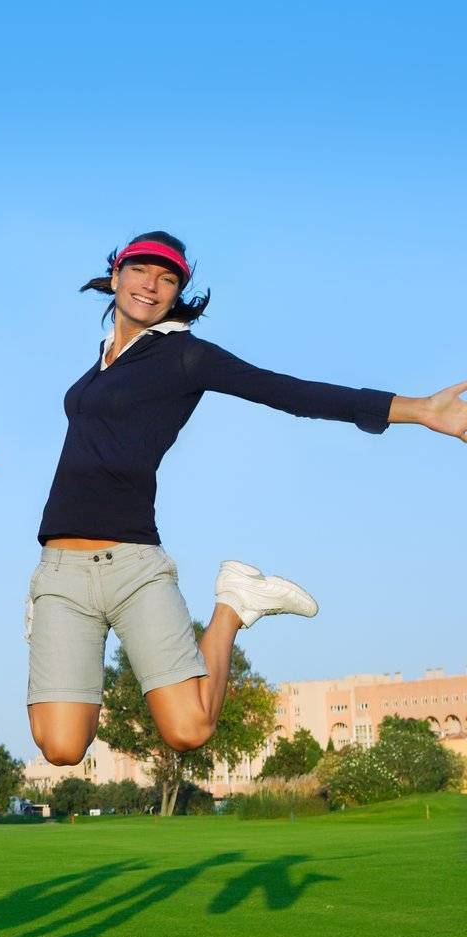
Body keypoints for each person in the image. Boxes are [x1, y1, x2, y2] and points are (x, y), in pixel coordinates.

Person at [27, 230, 467, 770]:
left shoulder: (186, 356)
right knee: (61, 747)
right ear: (116, 275)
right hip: (61, 571)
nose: (152, 285)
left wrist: (417, 409)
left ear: (177, 293)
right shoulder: (102, 363)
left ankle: (233, 605)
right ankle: (51, 618)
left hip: (133, 563)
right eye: (141, 270)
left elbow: (293, 393)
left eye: (168, 279)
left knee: (190, 729)